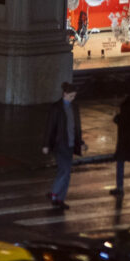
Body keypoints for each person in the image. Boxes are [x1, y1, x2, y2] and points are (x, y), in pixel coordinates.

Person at [43, 81, 84, 209]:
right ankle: (54, 193)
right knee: (65, 171)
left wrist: (81, 142)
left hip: (71, 144)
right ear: (64, 94)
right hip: (60, 144)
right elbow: (50, 127)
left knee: (65, 172)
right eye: (71, 96)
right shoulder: (56, 108)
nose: (73, 98)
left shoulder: (74, 107)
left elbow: (77, 127)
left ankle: (59, 199)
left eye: (74, 96)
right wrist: (46, 144)